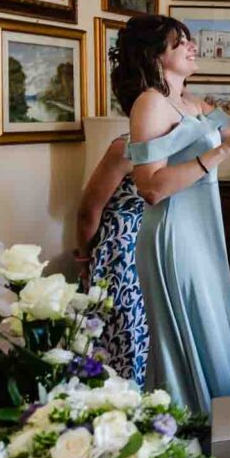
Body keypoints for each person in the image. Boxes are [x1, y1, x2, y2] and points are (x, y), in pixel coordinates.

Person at [112, 14, 230, 413]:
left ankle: (225, 429)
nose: (192, 46)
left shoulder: (192, 102)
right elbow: (151, 187)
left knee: (215, 328)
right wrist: (220, 152)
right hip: (174, 233)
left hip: (203, 231)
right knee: (195, 329)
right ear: (155, 55)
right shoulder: (149, 103)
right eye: (180, 42)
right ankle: (190, 427)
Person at [75, 135, 149, 385]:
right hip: (123, 253)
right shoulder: (126, 148)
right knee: (119, 335)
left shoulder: (135, 146)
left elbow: (88, 213)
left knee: (132, 336)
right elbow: (88, 212)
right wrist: (84, 260)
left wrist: (84, 261)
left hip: (137, 251)